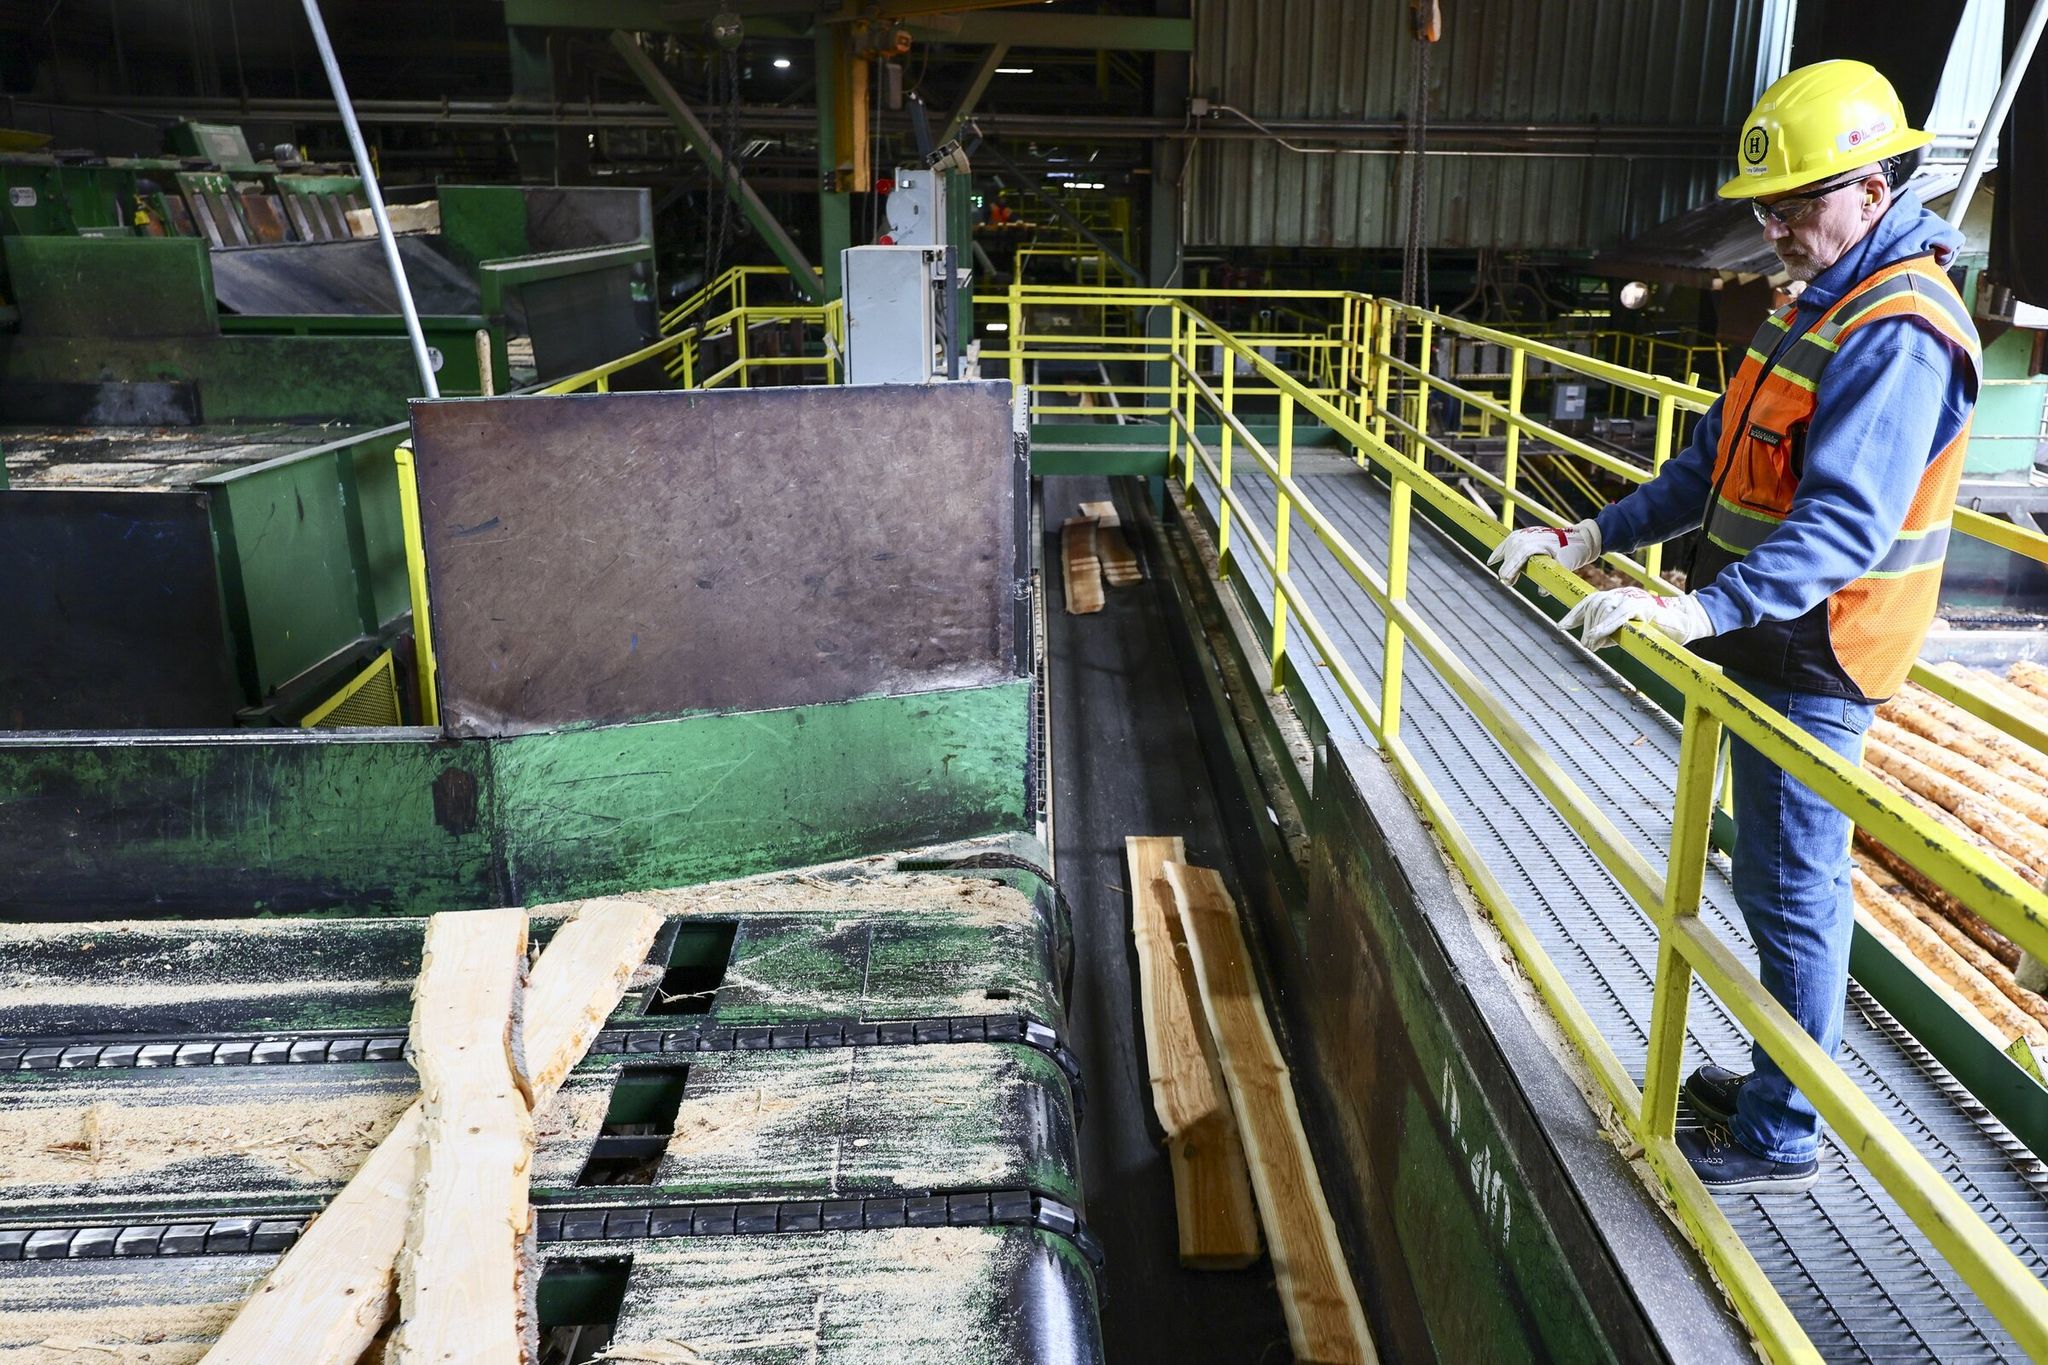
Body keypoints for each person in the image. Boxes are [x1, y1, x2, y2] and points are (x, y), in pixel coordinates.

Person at [1488, 60, 1980, 1194]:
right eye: (1764, 208)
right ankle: (1773, 1079)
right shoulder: (1817, 296)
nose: (1775, 229)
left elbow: (1843, 528)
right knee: (1761, 880)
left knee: (1792, 890)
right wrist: (1587, 536)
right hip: (1758, 638)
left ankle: (1781, 1129)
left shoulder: (1898, 329)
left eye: (1796, 204)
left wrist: (1694, 605)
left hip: (1817, 654)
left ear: (1872, 183)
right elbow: (1710, 465)